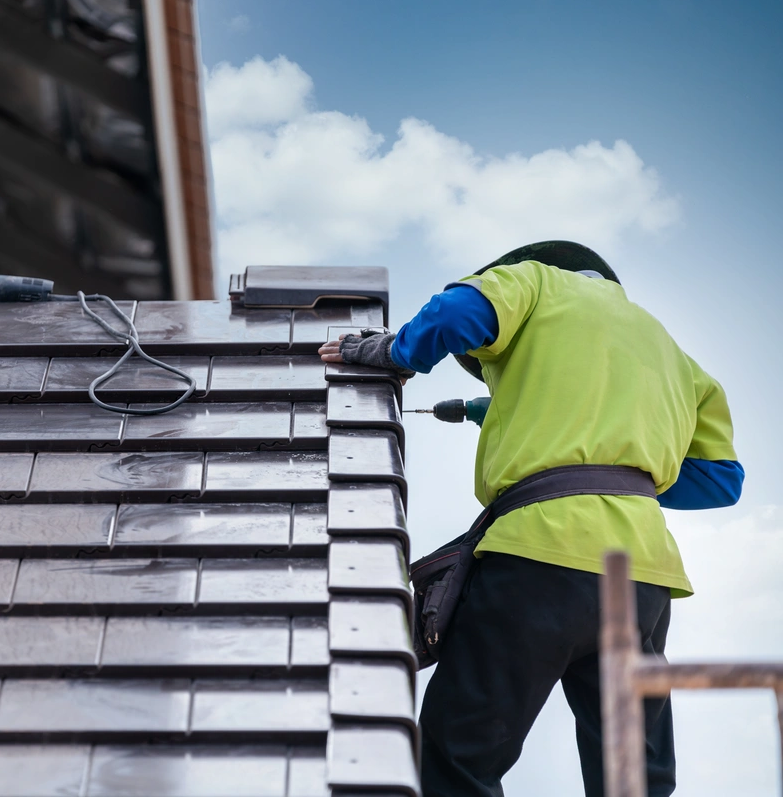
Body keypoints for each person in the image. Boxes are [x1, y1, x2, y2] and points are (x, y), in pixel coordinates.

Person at [318, 241, 743, 797]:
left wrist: (395, 353)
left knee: (459, 758)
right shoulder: (674, 354)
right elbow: (719, 480)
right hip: (642, 579)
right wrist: (613, 456)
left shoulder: (536, 281)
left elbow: (458, 314)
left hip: (539, 556)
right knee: (633, 778)